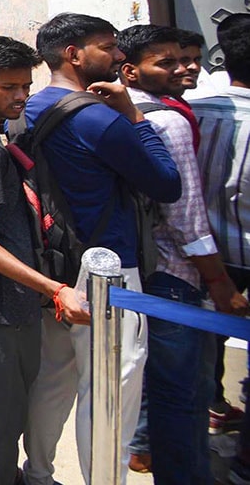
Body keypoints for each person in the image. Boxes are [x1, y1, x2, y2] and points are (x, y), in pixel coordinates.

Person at [20, 13, 182, 485]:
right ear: (73, 54)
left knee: (55, 379)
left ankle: (38, 473)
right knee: (113, 387)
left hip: (55, 269)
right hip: (110, 273)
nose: (118, 56)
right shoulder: (98, 117)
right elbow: (166, 183)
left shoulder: (29, 109)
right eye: (108, 47)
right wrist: (133, 114)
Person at [0, 37, 92, 485]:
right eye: (8, 87)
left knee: (7, 407)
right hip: (3, 303)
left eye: (25, 86)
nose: (20, 96)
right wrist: (54, 288)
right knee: (2, 413)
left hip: (9, 300)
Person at [118, 24, 248, 484]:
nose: (184, 67)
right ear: (131, 70)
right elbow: (186, 216)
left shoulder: (133, 111)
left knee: (166, 386)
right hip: (177, 274)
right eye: (166, 62)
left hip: (149, 270)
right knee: (184, 395)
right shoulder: (169, 121)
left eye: (186, 58)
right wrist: (220, 282)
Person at [188, 13, 250, 483]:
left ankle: (210, 408)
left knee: (197, 349)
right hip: (235, 259)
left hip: (195, 253)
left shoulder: (192, 107)